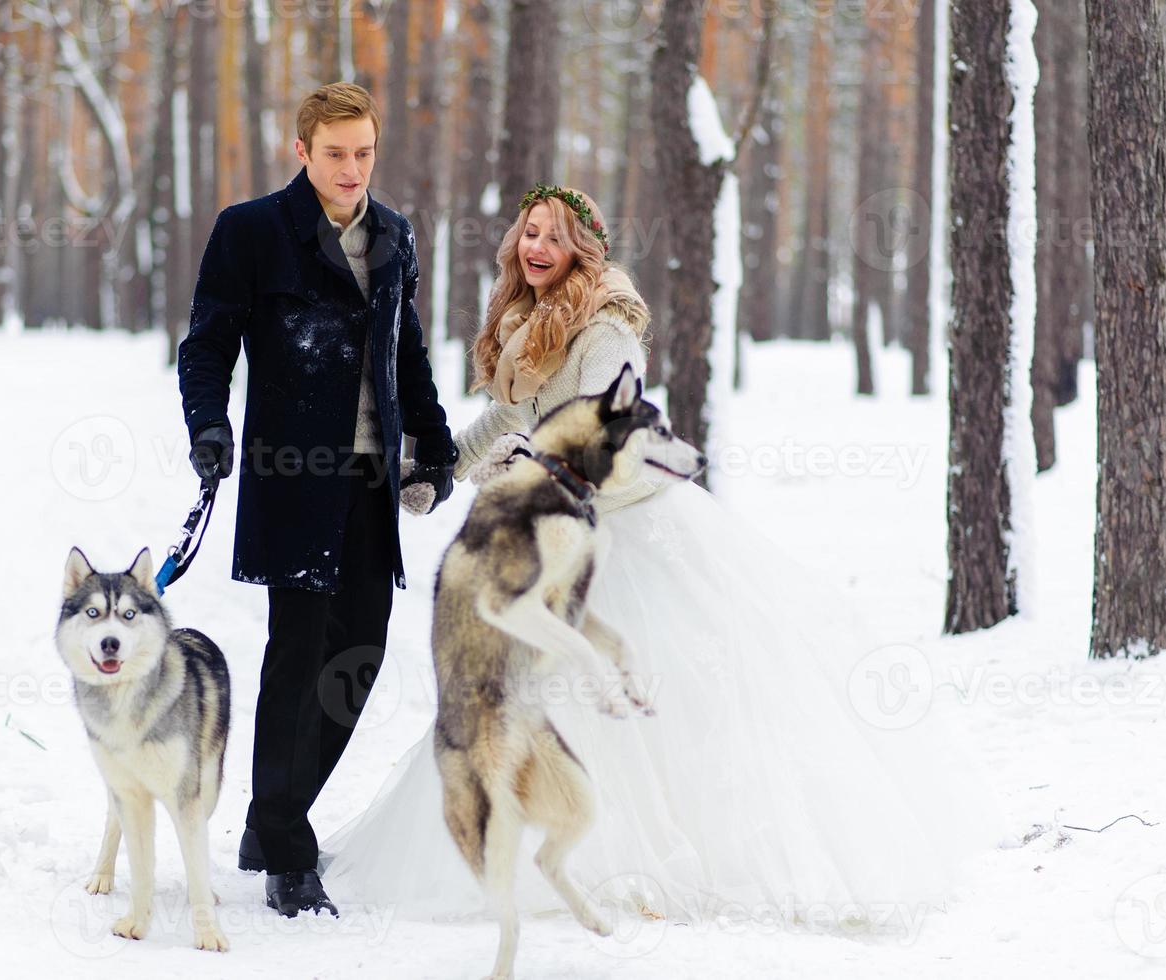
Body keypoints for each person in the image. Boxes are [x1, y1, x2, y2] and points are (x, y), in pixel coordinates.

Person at [324, 183, 1002, 928]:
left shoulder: (605, 325)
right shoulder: (529, 324)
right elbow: (506, 419)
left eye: (554, 237)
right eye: (529, 233)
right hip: (560, 526)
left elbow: (612, 453)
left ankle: (636, 863)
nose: (537, 248)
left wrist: (524, 478)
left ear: (585, 248)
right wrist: (439, 472)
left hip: (622, 531)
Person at [178, 82, 458, 918]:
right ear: (301, 151)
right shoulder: (252, 231)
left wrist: (435, 447)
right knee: (297, 657)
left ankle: (272, 820)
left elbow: (406, 353)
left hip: (370, 483)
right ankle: (287, 853)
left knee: (358, 658)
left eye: (364, 152)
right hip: (291, 474)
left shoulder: (394, 236)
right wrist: (208, 429)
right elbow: (205, 347)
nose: (350, 167)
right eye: (334, 152)